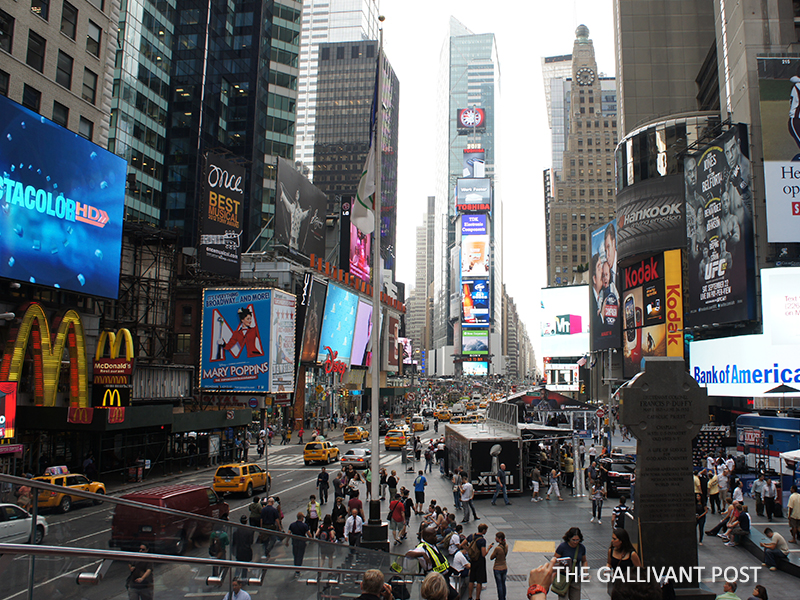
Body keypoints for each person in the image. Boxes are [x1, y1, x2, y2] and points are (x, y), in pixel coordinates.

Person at [553, 527, 588, 600]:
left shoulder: (581, 548)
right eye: (573, 540)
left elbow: (584, 561)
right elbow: (554, 561)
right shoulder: (562, 547)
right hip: (563, 578)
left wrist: (585, 572)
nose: (575, 542)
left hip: (575, 578)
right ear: (569, 538)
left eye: (577, 540)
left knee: (576, 598)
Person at [606, 528, 641, 596]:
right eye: (612, 538)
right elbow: (609, 563)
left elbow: (639, 570)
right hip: (616, 583)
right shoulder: (611, 551)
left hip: (629, 585)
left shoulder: (632, 554)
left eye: (615, 539)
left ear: (621, 541)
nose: (612, 541)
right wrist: (607, 569)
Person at [288, 512, 311, 577]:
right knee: (300, 556)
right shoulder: (304, 525)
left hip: (294, 541)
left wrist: (287, 541)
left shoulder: (292, 525)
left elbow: (289, 533)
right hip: (302, 542)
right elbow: (309, 534)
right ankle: (298, 570)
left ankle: (296, 569)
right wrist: (311, 539)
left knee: (295, 556)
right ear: (302, 518)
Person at [490, 531, 509, 600]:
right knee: (503, 584)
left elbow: (491, 557)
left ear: (500, 538)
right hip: (504, 567)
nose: (495, 539)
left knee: (499, 585)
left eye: (496, 538)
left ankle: (500, 598)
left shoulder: (498, 548)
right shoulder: (506, 546)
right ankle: (504, 597)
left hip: (497, 568)